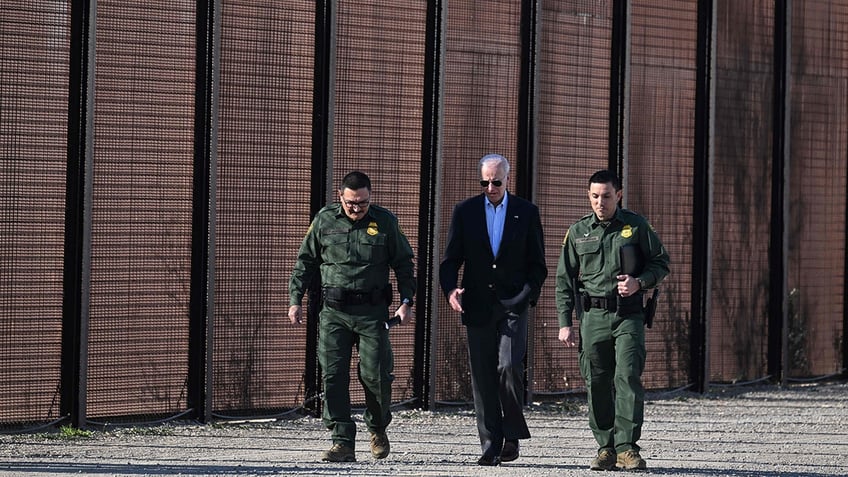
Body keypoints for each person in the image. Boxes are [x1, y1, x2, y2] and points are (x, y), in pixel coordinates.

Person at [288, 171, 416, 463]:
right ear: (341, 198)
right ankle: (342, 440)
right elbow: (305, 262)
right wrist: (295, 300)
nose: (356, 209)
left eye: (362, 203)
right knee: (333, 376)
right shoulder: (324, 220)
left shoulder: (385, 222)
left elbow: (404, 264)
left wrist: (407, 301)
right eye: (350, 203)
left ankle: (377, 427)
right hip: (334, 312)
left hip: (372, 312)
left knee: (377, 375)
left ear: (370, 198)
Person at [555, 169, 670, 471]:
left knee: (627, 375)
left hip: (627, 314)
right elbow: (564, 281)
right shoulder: (578, 232)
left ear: (618, 195)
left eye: (606, 196)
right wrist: (565, 323)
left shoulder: (636, 226)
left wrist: (640, 282)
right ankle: (605, 447)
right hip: (592, 317)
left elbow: (661, 263)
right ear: (588, 196)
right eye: (594, 196)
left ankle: (627, 448)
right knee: (597, 381)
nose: (600, 202)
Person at [439, 153, 548, 466]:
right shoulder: (466, 211)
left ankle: (511, 434)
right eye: (484, 182)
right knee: (483, 376)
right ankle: (490, 443)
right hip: (477, 304)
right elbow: (450, 261)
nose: (490, 187)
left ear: (507, 179)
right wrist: (450, 291)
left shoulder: (526, 212)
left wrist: (527, 296)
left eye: (496, 181)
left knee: (508, 366)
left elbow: (537, 264)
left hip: (513, 304)